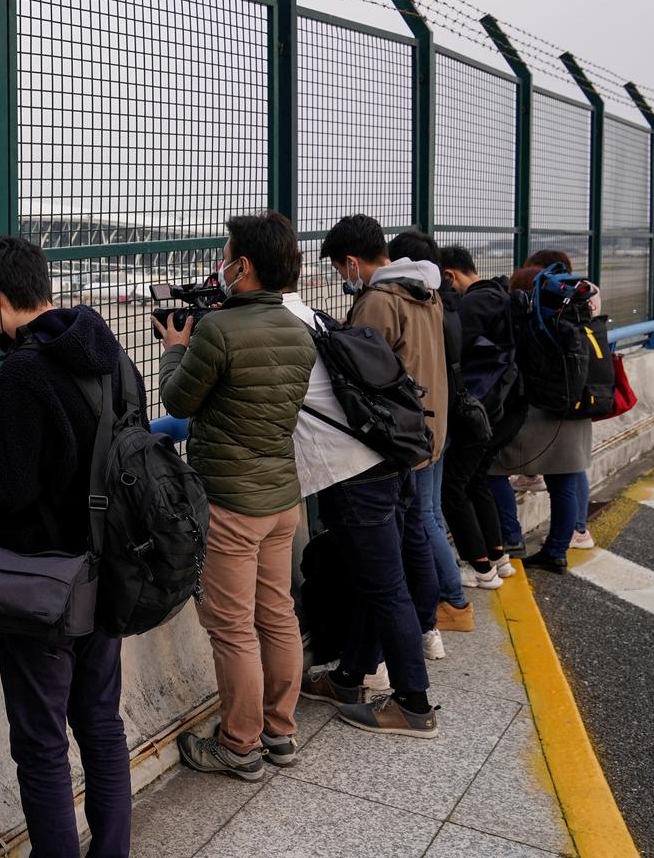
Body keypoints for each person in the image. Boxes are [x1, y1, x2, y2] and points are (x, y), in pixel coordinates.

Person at [0, 235, 135, 858]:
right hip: (109, 569)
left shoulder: (22, 374)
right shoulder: (107, 351)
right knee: (102, 726)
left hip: (46, 590)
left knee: (40, 742)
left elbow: (9, 486)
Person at [154, 211, 315, 780]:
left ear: (241, 266)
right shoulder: (299, 332)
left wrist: (176, 345)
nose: (220, 265)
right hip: (280, 499)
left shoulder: (219, 332)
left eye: (225, 256)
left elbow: (178, 401)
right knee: (277, 614)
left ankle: (239, 745)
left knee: (231, 627)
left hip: (228, 503)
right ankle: (280, 731)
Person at [282, 276, 440, 738]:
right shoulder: (312, 318)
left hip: (352, 476)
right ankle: (349, 679)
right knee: (371, 582)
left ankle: (414, 705)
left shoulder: (274, 327)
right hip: (386, 458)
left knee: (385, 588)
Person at [322, 218, 471, 654]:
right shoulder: (424, 292)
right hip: (429, 428)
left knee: (410, 535)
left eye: (338, 269)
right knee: (420, 529)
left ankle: (419, 632)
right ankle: (428, 628)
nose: (341, 278)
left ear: (351, 262)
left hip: (396, 438)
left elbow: (362, 370)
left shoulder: (379, 301)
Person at [488, 251, 596, 575]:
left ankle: (510, 538)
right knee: (563, 483)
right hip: (573, 413)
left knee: (489, 470)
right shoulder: (574, 317)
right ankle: (556, 552)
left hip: (535, 417)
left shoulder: (522, 319)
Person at [437, 246, 523, 582]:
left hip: (481, 410)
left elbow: (454, 354)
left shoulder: (472, 305)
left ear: (449, 275)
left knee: (453, 486)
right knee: (476, 480)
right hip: (506, 407)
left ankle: (481, 567)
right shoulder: (501, 294)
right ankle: (499, 558)